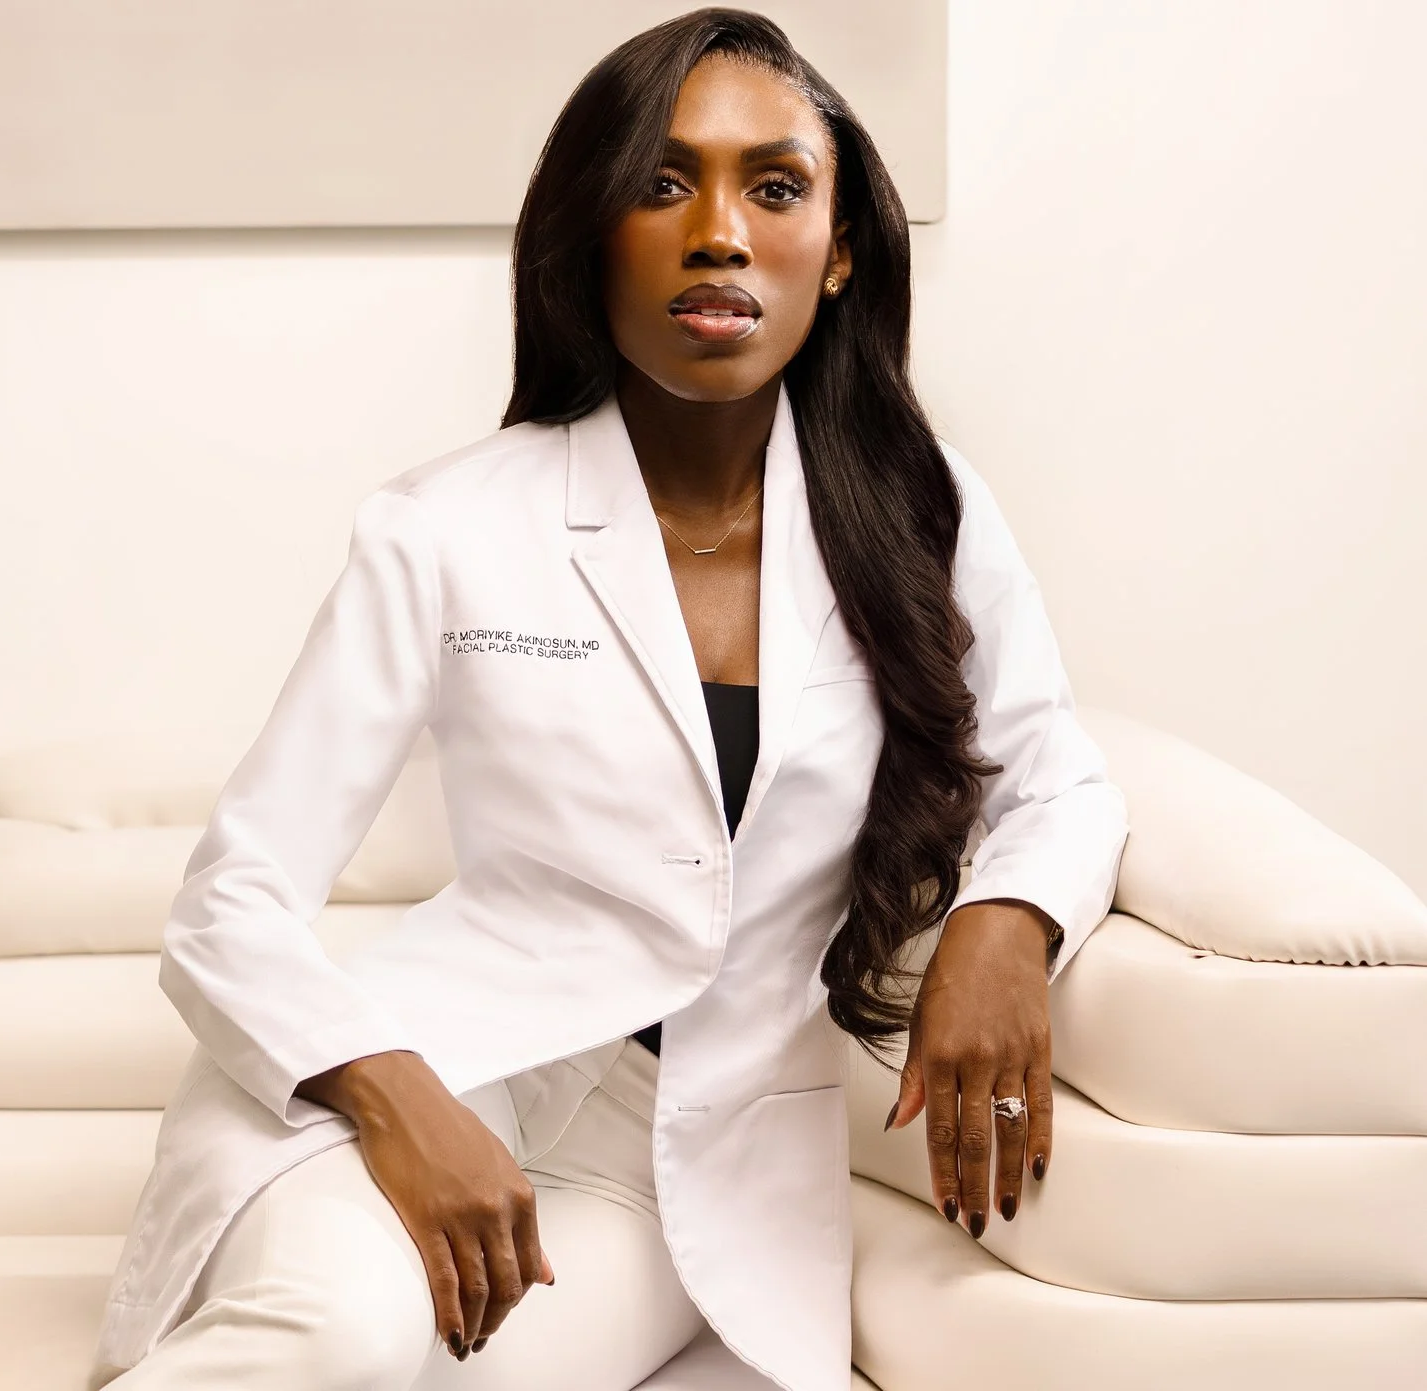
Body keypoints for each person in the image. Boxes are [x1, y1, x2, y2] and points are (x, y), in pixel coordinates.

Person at [89, 9, 1127, 1391]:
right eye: (661, 182)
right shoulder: (444, 528)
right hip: (401, 1087)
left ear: (840, 252)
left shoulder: (923, 518)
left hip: (669, 1176)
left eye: (775, 187)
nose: (719, 233)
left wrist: (1004, 924)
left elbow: (1060, 776)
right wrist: (399, 1101)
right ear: (590, 233)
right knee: (342, 1336)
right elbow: (230, 902)